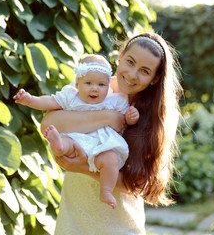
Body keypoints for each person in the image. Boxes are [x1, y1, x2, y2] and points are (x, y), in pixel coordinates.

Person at [41, 32, 183, 234]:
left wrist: (84, 167)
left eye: (144, 71)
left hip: (119, 225)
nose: (132, 74)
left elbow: (140, 183)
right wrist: (109, 117)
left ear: (155, 78)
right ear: (121, 55)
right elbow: (48, 123)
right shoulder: (93, 84)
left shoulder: (158, 114)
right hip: (74, 220)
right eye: (130, 62)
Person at [14, 54, 139, 208]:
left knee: (111, 159)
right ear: (77, 83)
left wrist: (132, 117)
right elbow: (50, 101)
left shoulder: (114, 100)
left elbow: (125, 120)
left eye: (101, 85)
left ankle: (106, 191)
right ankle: (58, 145)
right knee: (65, 143)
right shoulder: (71, 97)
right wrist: (30, 100)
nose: (95, 88)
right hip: (76, 139)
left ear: (108, 85)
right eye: (88, 83)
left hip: (101, 145)